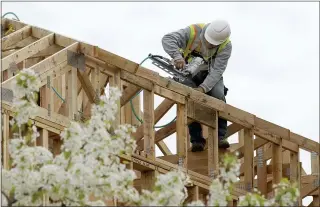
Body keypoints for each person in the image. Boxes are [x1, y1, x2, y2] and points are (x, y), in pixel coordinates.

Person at [161, 19, 232, 151]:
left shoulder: (226, 46)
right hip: (188, 73)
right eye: (208, 42)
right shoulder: (193, 31)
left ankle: (220, 136)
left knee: (218, 95)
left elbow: (217, 71)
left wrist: (203, 88)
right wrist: (177, 56)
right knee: (190, 98)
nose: (210, 45)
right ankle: (196, 140)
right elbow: (167, 39)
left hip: (209, 74)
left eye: (213, 45)